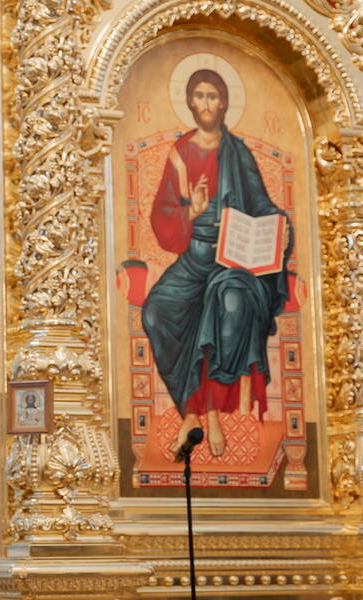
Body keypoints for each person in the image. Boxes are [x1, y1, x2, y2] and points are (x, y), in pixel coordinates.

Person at [141, 69, 293, 457]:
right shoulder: (181, 152)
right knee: (156, 311)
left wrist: (280, 228)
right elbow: (161, 214)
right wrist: (191, 210)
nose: (206, 103)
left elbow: (262, 206)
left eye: (213, 96)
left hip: (233, 260)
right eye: (199, 96)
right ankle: (190, 414)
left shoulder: (238, 154)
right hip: (194, 259)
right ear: (190, 103)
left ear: (223, 102)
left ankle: (210, 417)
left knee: (227, 302)